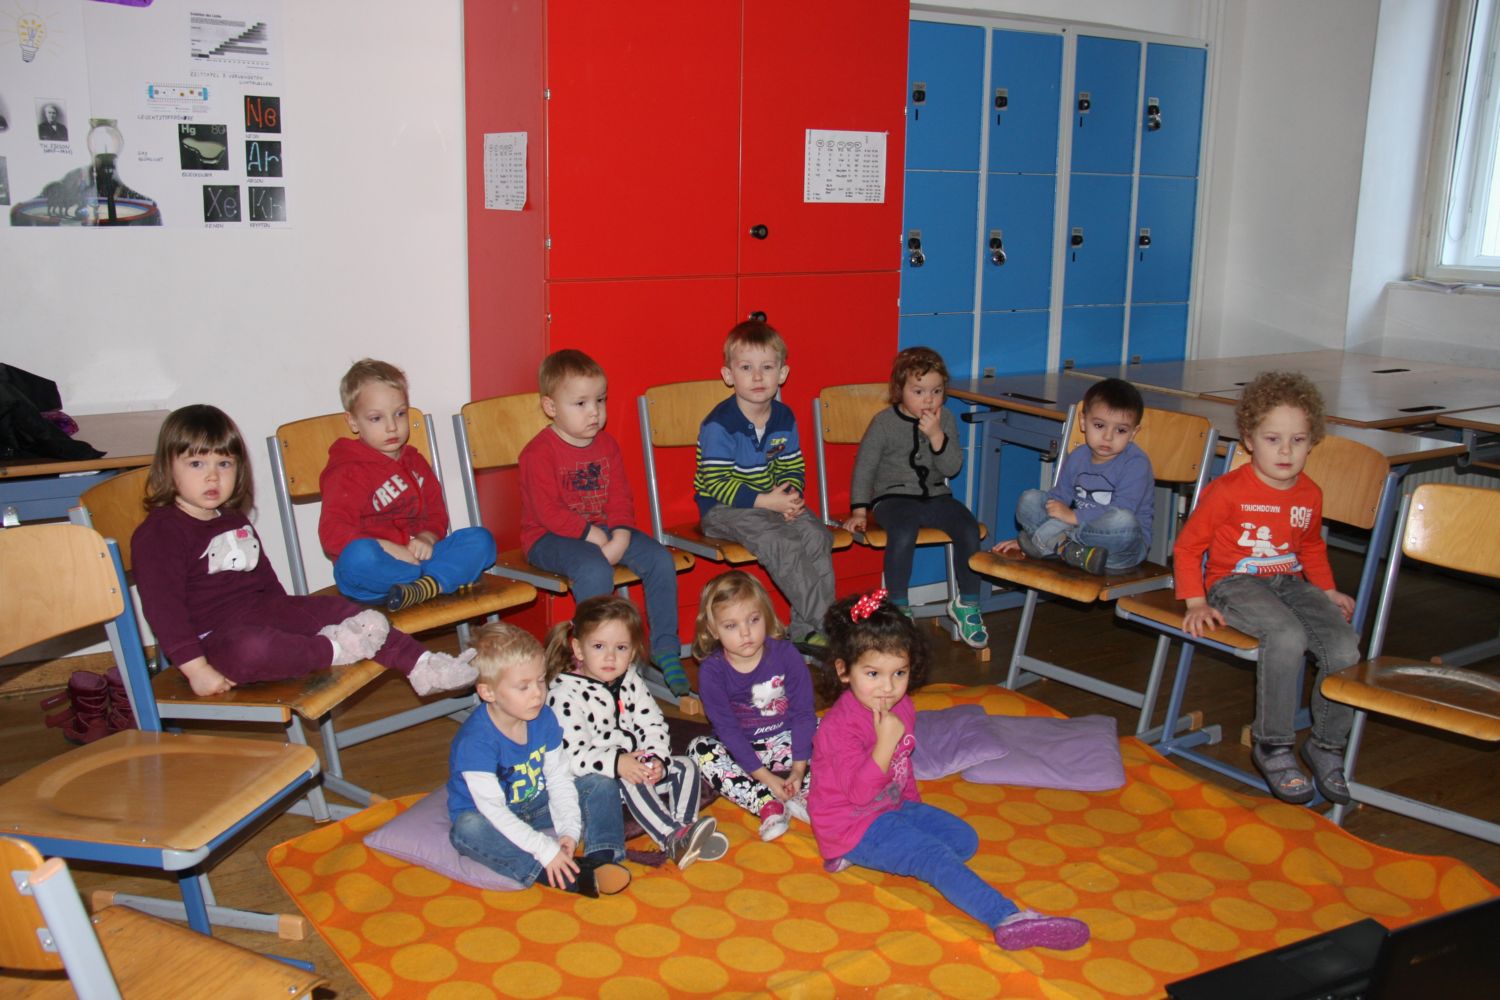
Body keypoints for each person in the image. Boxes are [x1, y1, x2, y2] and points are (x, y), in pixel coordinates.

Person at [808, 590, 1091, 952]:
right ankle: (1007, 918)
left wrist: (912, 808)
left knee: (963, 840)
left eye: (899, 673)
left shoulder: (902, 706)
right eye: (873, 673)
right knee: (933, 856)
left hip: (889, 807)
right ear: (843, 671)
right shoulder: (838, 728)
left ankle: (912, 856)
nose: (888, 687)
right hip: (850, 824)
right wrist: (885, 743)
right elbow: (860, 793)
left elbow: (903, 766)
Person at [132, 404, 478, 699]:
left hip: (263, 613)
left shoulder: (233, 519)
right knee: (252, 650)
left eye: (224, 464)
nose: (212, 477)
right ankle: (334, 649)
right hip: (212, 640)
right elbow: (164, 611)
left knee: (348, 612)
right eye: (196, 464)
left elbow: (265, 580)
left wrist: (293, 618)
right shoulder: (160, 533)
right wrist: (196, 669)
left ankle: (424, 666)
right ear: (168, 467)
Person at [1176, 371, 1359, 805]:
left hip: (1288, 581)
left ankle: (1326, 744)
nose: (1286, 451)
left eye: (1298, 440)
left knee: (1344, 646)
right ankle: (1273, 743)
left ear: (1312, 443)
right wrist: (1195, 601)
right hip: (1233, 583)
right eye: (1273, 439)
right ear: (1249, 440)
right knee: (1286, 635)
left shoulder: (1309, 494)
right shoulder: (1226, 492)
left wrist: (1327, 590)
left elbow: (1310, 546)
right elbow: (1187, 547)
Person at [520, 349, 689, 696]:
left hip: (605, 531)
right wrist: (594, 536)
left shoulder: (607, 445)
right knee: (594, 569)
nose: (594, 411)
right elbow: (548, 511)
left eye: (600, 400)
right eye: (580, 403)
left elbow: (620, 498)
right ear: (551, 407)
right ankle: (596, 659)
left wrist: (621, 536)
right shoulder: (538, 453)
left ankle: (665, 648)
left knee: (658, 559)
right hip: (548, 537)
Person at [447, 621, 630, 897]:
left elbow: (558, 777)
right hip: (490, 817)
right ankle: (554, 875)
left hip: (534, 803)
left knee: (600, 784)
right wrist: (546, 850)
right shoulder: (476, 741)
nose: (538, 693)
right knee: (467, 829)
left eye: (541, 680)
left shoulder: (542, 716)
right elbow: (493, 809)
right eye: (523, 687)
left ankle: (601, 859)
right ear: (488, 692)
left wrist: (569, 831)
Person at [544, 595, 728, 868]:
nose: (610, 656)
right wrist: (618, 763)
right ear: (579, 650)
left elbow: (653, 722)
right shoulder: (564, 695)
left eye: (621, 648)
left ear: (631, 653)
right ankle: (669, 836)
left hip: (634, 764)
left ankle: (685, 830)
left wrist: (657, 758)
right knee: (633, 779)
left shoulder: (630, 678)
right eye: (598, 646)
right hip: (596, 784)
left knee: (686, 765)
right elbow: (572, 757)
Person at [695, 319, 835, 650]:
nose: (757, 377)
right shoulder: (719, 425)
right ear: (729, 375)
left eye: (767, 367)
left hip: (771, 502)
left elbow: (792, 465)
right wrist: (767, 502)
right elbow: (717, 482)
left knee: (817, 535)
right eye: (746, 368)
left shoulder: (784, 417)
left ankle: (805, 631)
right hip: (723, 508)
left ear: (782, 373)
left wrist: (788, 498)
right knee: (781, 541)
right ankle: (830, 624)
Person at [318, 359, 496, 612]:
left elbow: (436, 514)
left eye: (400, 413)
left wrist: (427, 537)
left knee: (481, 540)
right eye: (376, 418)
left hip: (419, 560)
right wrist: (388, 548)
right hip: (375, 573)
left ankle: (422, 587)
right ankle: (435, 581)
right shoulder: (346, 469)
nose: (392, 426)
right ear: (353, 422)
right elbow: (333, 532)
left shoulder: (415, 462)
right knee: (357, 556)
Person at [841, 346, 987, 647]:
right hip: (892, 499)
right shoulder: (884, 423)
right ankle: (898, 606)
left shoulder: (945, 419)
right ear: (900, 391)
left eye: (936, 391)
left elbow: (952, 467)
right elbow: (865, 467)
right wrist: (859, 510)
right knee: (904, 531)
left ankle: (967, 603)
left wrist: (937, 437)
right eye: (918, 392)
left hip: (935, 496)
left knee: (968, 528)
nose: (928, 399)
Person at [686, 571, 816, 841]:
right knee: (699, 749)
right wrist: (765, 778)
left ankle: (808, 793)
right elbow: (728, 731)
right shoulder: (712, 672)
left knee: (832, 729)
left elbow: (804, 713)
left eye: (753, 620)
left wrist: (798, 768)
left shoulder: (786, 654)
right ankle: (766, 803)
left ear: (766, 616)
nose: (745, 633)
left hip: (787, 740)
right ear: (713, 630)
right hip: (742, 751)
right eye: (731, 626)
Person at [993, 377, 1153, 576]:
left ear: (1133, 433)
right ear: (1083, 422)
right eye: (1099, 426)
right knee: (1030, 500)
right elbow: (1060, 496)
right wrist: (1061, 515)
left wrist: (1073, 517)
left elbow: (1124, 509)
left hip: (1119, 550)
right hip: (1077, 533)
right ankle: (1067, 550)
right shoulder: (1078, 456)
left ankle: (1051, 543)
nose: (1108, 437)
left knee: (1122, 520)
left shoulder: (1136, 463)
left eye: (1120, 430)